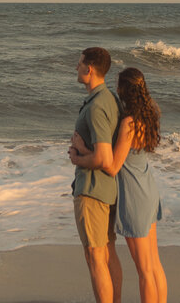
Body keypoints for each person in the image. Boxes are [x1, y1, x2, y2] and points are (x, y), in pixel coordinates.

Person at [71, 67, 167, 303]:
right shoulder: (149, 114)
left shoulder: (129, 124)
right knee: (154, 263)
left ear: (124, 89)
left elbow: (113, 167)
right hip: (148, 187)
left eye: (118, 84)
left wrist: (83, 150)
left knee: (144, 270)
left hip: (135, 194)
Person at [68, 47, 123, 303]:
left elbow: (103, 157)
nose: (76, 68)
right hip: (106, 190)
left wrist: (79, 156)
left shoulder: (97, 106)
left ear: (89, 69)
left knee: (95, 258)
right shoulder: (108, 98)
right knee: (107, 254)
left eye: (79, 64)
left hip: (92, 191)